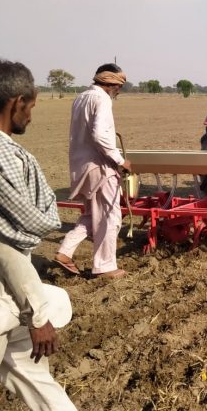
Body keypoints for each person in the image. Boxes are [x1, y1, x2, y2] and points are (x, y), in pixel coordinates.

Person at [0, 59, 105, 411]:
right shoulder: (2, 163)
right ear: (17, 102)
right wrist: (38, 316)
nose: (32, 116)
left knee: (25, 364)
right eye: (32, 107)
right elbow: (5, 247)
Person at [55, 63, 131, 279]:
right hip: (100, 167)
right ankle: (105, 266)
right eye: (119, 86)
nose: (119, 91)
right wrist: (120, 160)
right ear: (111, 83)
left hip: (82, 166)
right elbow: (99, 134)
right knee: (110, 216)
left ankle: (65, 251)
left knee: (92, 214)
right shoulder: (102, 99)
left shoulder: (81, 97)